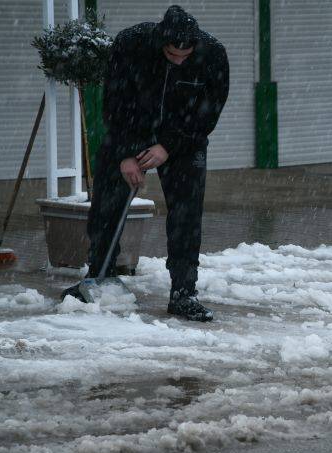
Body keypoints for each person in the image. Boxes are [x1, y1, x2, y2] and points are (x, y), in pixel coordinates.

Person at [62, 5, 229, 321]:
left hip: (183, 140)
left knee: (186, 215)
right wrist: (127, 153)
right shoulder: (131, 44)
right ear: (160, 43)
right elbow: (114, 100)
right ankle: (100, 276)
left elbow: (208, 113)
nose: (179, 60)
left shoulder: (213, 54)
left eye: (185, 56)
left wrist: (168, 146)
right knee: (107, 204)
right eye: (171, 54)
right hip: (130, 133)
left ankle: (183, 293)